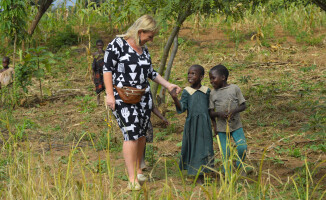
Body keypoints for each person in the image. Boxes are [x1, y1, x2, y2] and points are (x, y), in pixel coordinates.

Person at [103, 15, 181, 190]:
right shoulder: (117, 45)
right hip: (123, 96)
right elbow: (107, 69)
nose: (151, 40)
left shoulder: (143, 49)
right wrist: (109, 95)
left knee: (141, 134)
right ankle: (132, 179)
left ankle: (138, 169)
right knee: (131, 134)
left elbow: (151, 73)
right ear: (140, 31)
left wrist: (168, 85)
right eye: (150, 36)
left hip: (143, 97)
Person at [169, 64, 214, 184]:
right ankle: (197, 175)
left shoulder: (207, 91)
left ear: (201, 76)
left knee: (206, 147)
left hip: (205, 125)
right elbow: (182, 108)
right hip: (192, 125)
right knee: (194, 148)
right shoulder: (187, 92)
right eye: (189, 73)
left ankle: (205, 172)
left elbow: (210, 110)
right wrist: (175, 98)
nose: (190, 75)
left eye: (193, 73)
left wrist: (214, 125)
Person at [208, 64, 248, 175]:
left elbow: (243, 105)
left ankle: (240, 167)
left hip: (236, 125)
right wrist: (218, 115)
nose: (211, 81)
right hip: (221, 128)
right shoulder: (212, 93)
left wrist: (234, 111)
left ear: (223, 77)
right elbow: (210, 112)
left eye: (213, 78)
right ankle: (228, 175)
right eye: (210, 79)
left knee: (242, 147)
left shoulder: (234, 88)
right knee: (225, 153)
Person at [140, 102, 169, 170]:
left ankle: (141, 162)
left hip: (145, 119)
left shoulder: (147, 92)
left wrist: (162, 117)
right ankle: (135, 163)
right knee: (135, 140)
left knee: (143, 140)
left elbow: (152, 106)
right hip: (134, 119)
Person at [92, 40, 105, 105]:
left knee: (106, 86)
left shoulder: (106, 53)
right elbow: (93, 65)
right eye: (98, 45)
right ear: (96, 46)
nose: (100, 47)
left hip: (105, 72)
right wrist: (92, 74)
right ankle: (98, 100)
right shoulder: (94, 54)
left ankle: (106, 100)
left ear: (103, 45)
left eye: (101, 45)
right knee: (98, 86)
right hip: (97, 72)